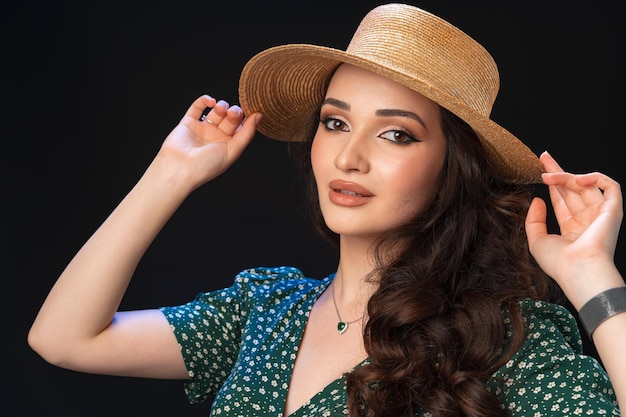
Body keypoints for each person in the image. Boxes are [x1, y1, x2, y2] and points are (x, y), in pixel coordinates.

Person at [28, 3, 624, 416]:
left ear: (453, 167)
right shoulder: (262, 312)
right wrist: (171, 174)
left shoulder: (502, 338)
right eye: (334, 123)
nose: (350, 157)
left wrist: (592, 277)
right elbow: (64, 339)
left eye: (396, 135)